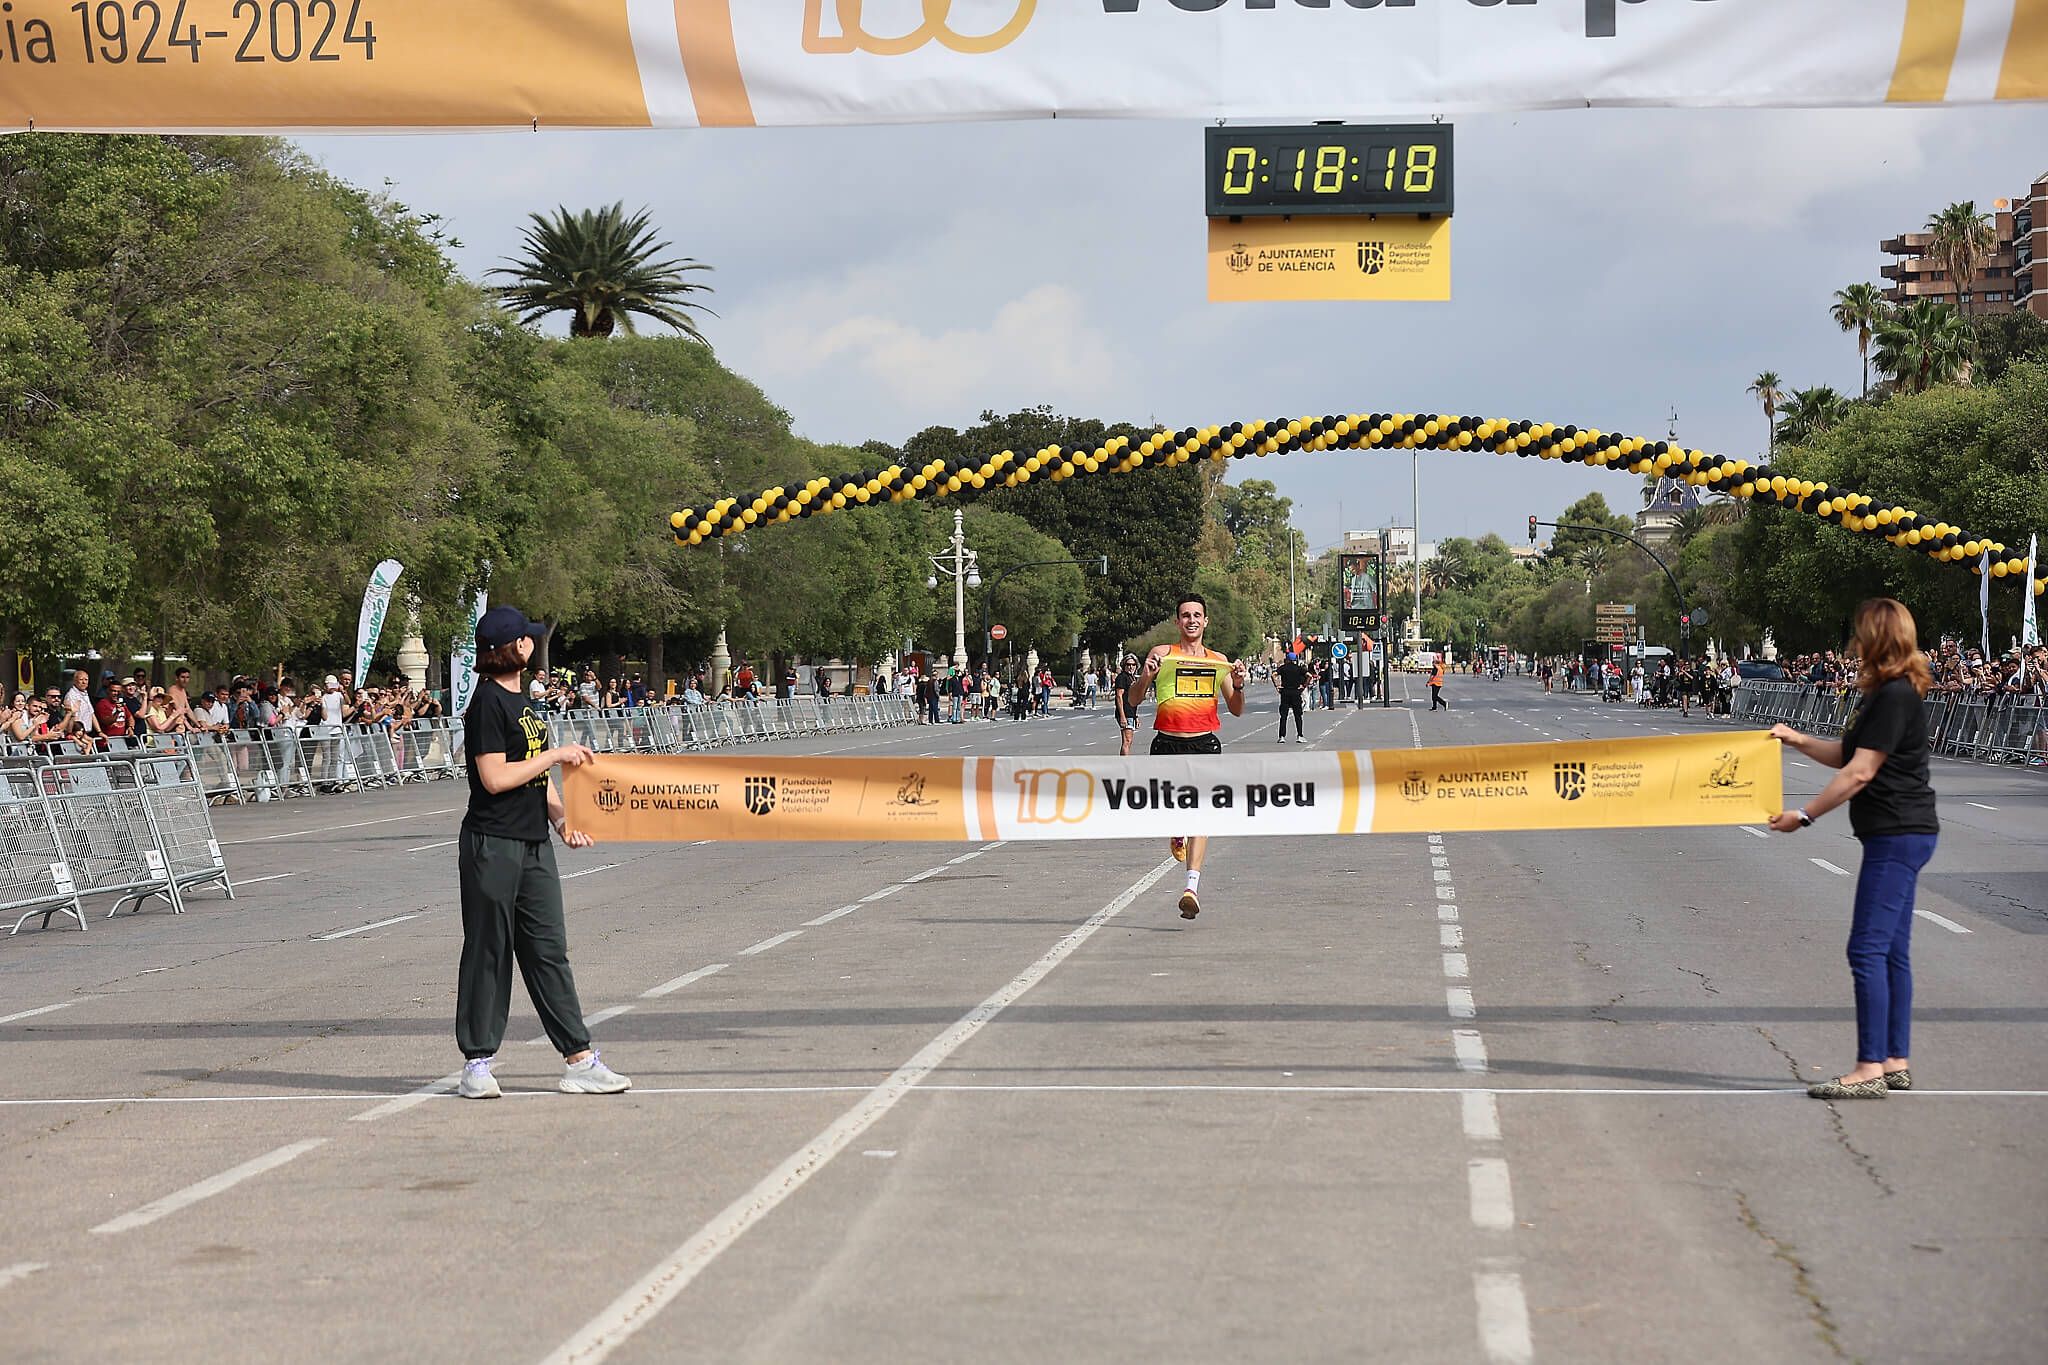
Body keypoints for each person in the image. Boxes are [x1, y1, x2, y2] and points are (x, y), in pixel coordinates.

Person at [455, 604, 630, 1100]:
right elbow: (494, 777)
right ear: (517, 648)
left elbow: (537, 777)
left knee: (548, 950)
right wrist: (555, 754)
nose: (534, 643)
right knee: (489, 951)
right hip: (493, 844)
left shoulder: (527, 705)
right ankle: (477, 1062)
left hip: (532, 843)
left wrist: (561, 819)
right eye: (528, 638)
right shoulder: (487, 702)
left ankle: (580, 1058)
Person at [1768, 598, 1939, 1101]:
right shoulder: (1886, 694)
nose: (1853, 642)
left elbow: (1859, 773)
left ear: (1877, 639)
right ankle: (1894, 1059)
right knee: (1892, 951)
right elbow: (1847, 754)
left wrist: (1805, 815)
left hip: (1897, 833)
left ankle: (1868, 1068)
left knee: (1865, 948)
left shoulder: (1894, 697)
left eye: (1860, 634)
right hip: (1904, 832)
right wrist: (1795, 739)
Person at [1127, 595, 1248, 920]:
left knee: (1202, 815)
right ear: (1177, 622)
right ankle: (1176, 828)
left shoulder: (1217, 661)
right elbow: (1133, 701)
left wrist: (1237, 685)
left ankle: (1191, 888)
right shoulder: (1162, 655)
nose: (1192, 620)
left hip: (1204, 746)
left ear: (1205, 621)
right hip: (1167, 745)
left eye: (1197, 615)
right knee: (1172, 809)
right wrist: (1146, 677)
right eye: (1185, 615)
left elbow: (1236, 709)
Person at [1274, 651, 1309, 743]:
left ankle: (1282, 736)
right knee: (1298, 715)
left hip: (1285, 692)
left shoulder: (1283, 668)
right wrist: (1304, 686)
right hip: (1296, 692)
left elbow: (1273, 675)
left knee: (1283, 715)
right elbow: (1309, 676)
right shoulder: (1299, 668)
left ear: (1287, 659)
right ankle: (1300, 735)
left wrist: (1277, 686)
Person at [1112, 653, 1140, 756]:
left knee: (1129, 741)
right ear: (1124, 665)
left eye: (1133, 665)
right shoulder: (1122, 677)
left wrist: (1135, 716)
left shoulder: (1132, 678)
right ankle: (1125, 764)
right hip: (1125, 713)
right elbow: (1119, 696)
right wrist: (1122, 716)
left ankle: (1124, 762)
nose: (1130, 667)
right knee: (1127, 741)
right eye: (1128, 664)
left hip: (1131, 712)